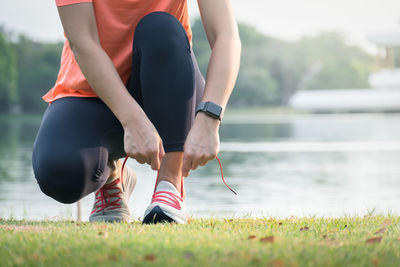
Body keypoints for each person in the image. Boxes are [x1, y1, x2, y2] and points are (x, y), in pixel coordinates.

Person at [32, 0, 241, 224]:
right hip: (92, 92)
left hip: (172, 87)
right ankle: (113, 179)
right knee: (59, 172)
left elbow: (226, 35)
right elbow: (82, 41)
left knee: (160, 27)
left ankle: (169, 185)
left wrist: (210, 117)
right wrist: (132, 119)